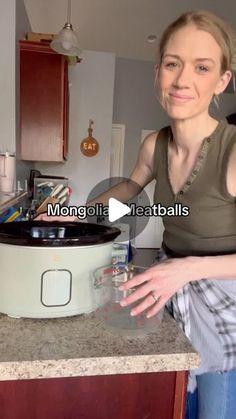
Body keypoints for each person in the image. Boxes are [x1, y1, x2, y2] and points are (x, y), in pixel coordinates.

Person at [37, 10, 236, 419]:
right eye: (172, 63)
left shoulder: (233, 151)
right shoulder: (154, 145)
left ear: (221, 81)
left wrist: (186, 269)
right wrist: (77, 215)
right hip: (170, 288)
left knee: (216, 411)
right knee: (176, 402)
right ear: (157, 72)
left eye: (202, 67)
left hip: (223, 302)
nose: (182, 81)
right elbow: (130, 192)